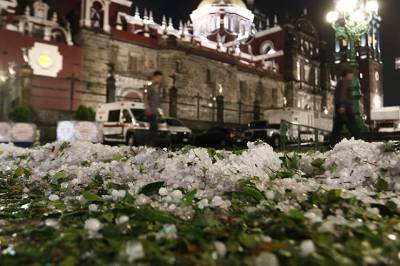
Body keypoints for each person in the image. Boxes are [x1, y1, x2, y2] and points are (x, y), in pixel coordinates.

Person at [329, 68, 361, 147]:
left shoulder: (341, 81)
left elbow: (337, 95)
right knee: (352, 125)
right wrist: (342, 105)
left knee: (337, 127)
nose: (352, 76)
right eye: (351, 74)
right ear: (347, 74)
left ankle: (332, 143)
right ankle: (359, 141)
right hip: (345, 107)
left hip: (340, 106)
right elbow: (343, 94)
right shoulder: (345, 81)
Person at [144, 71, 163, 146]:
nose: (161, 80)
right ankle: (148, 145)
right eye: (159, 78)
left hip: (154, 111)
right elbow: (145, 97)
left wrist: (159, 112)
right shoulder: (149, 86)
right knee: (154, 128)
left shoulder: (156, 88)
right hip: (150, 111)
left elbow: (156, 102)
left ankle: (149, 145)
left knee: (153, 128)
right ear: (155, 77)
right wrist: (147, 108)